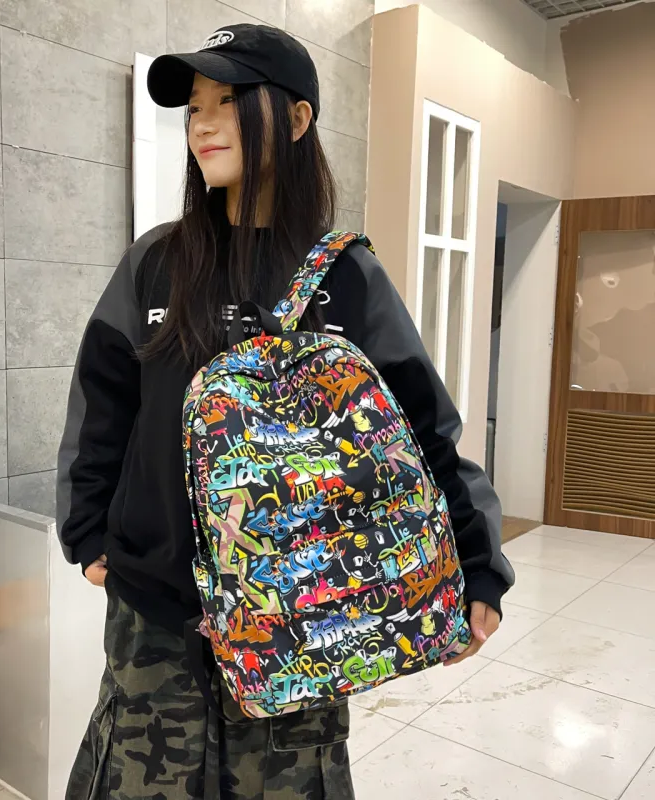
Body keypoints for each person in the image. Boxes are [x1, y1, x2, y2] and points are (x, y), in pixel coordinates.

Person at [56, 23, 514, 800]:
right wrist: (89, 531)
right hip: (155, 615)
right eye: (194, 107)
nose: (202, 123)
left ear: (297, 118)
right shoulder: (156, 263)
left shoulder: (346, 276)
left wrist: (478, 567)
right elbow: (104, 408)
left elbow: (422, 429)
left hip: (304, 619)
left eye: (227, 101)